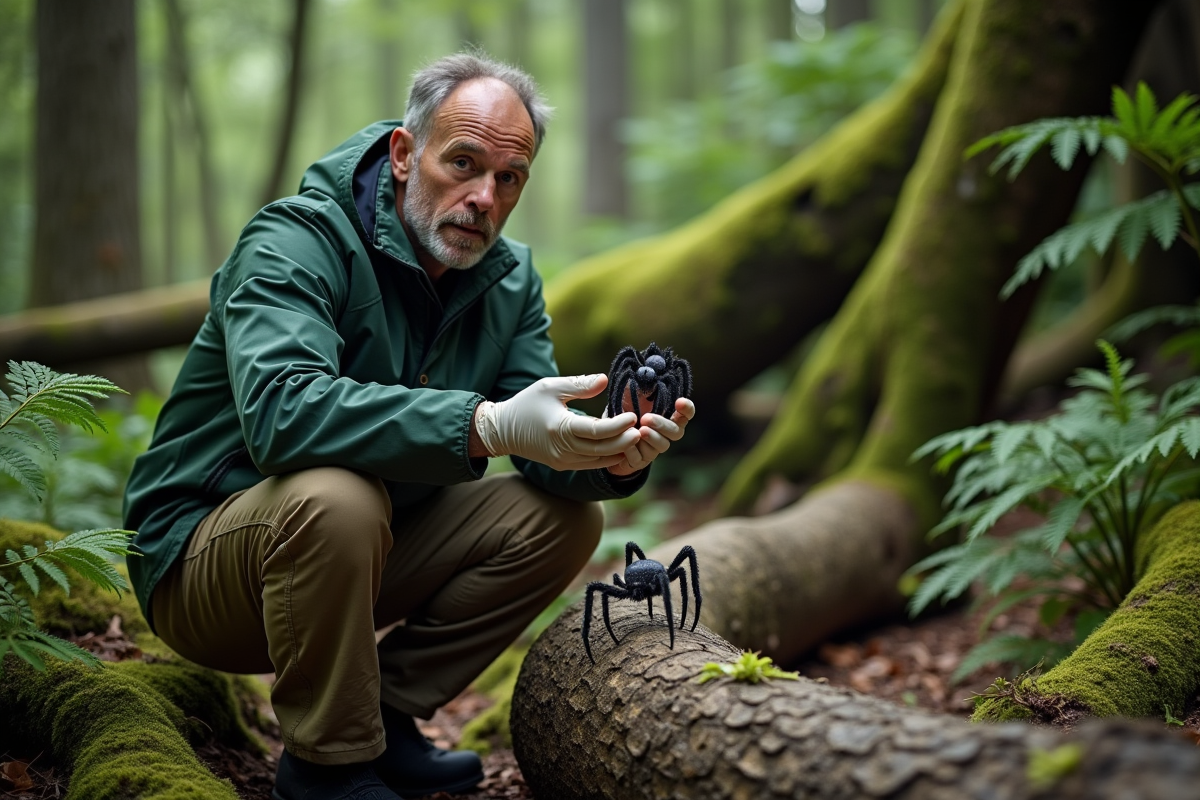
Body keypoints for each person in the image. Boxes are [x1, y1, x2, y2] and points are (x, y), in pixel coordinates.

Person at [122, 52, 696, 800]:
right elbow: (282, 415)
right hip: (204, 566)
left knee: (561, 518)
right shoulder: (295, 241)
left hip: (361, 550)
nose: (483, 196)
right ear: (403, 154)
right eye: (463, 163)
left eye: (509, 178)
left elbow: (538, 432)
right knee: (336, 496)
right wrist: (486, 423)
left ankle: (384, 717)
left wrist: (610, 455)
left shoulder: (508, 278)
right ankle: (327, 767)